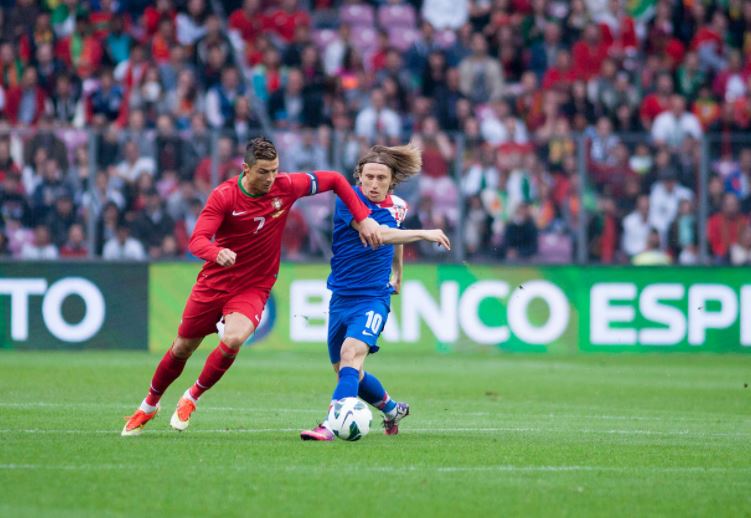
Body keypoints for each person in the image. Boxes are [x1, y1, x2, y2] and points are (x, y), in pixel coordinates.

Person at [122, 137, 382, 436]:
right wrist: (216, 252)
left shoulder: (286, 186)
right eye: (263, 172)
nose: (271, 178)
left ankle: (192, 396)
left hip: (254, 287)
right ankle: (149, 405)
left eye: (275, 170)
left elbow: (335, 179)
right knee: (182, 348)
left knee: (233, 339)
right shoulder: (224, 196)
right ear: (246, 169)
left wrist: (363, 218)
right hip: (215, 282)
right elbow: (197, 241)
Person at [300, 144, 451, 441]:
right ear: (359, 176)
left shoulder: (398, 206)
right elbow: (378, 234)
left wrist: (398, 273)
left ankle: (330, 424)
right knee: (347, 370)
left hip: (373, 298)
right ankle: (393, 409)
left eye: (381, 178)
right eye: (369, 176)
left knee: (350, 354)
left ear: (391, 181)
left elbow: (395, 237)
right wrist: (424, 232)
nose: (374, 183)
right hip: (341, 297)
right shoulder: (348, 200)